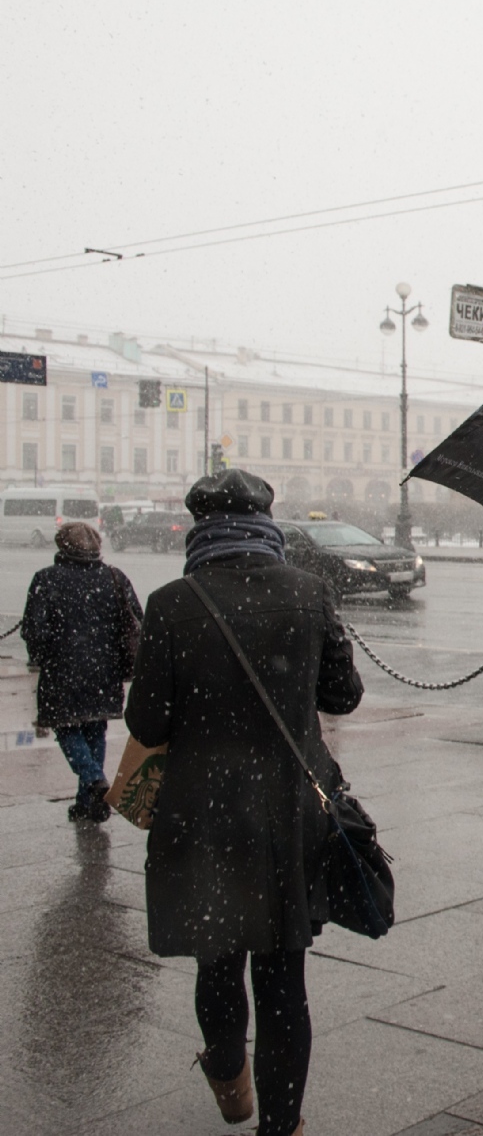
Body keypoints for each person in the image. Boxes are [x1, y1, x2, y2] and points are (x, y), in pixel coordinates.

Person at [124, 469, 363, 1136]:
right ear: (267, 521)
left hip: (203, 814)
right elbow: (343, 696)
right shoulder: (309, 592)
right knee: (285, 977)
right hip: (288, 811)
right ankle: (281, 1126)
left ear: (200, 525)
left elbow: (147, 723)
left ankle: (229, 1076)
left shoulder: (174, 601)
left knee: (218, 957)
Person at [22, 521, 142, 824]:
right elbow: (135, 622)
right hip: (105, 669)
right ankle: (89, 803)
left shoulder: (46, 579)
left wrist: (40, 657)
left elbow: (34, 629)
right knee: (93, 728)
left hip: (62, 669)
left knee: (66, 728)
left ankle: (92, 778)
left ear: (62, 546)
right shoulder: (114, 577)